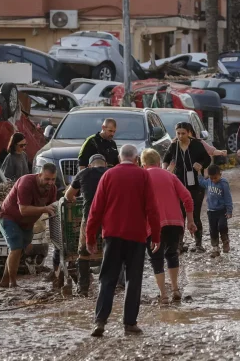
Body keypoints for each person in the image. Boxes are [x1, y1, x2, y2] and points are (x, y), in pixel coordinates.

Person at [87, 144, 160, 337]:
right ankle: (129, 323)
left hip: (112, 235)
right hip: (136, 237)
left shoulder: (108, 176)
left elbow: (95, 209)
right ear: (136, 159)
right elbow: (152, 208)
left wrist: (90, 236)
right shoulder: (143, 176)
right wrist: (156, 236)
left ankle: (100, 322)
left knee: (107, 278)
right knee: (133, 280)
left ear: (120, 158)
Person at [140, 149, 195, 303]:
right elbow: (187, 198)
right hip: (175, 223)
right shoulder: (171, 176)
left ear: (143, 165)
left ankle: (163, 294)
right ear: (158, 163)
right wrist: (190, 220)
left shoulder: (142, 178)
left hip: (153, 226)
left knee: (156, 258)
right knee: (172, 254)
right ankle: (176, 289)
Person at [0, 165, 57, 288]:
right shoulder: (26, 183)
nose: (50, 183)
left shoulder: (52, 189)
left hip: (27, 223)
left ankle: (4, 282)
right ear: (39, 175)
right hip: (9, 217)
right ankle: (13, 284)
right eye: (47, 179)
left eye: (53, 179)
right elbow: (23, 210)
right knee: (16, 248)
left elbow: (53, 209)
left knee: (19, 251)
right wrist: (44, 209)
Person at [64, 154, 108, 296]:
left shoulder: (83, 173)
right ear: (105, 164)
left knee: (83, 253)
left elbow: (68, 196)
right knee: (112, 250)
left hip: (90, 216)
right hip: (110, 217)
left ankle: (83, 289)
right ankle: (114, 285)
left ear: (90, 165)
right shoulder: (110, 173)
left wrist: (75, 199)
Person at [163, 122, 211, 250]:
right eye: (178, 133)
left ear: (189, 133)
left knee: (195, 214)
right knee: (180, 215)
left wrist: (201, 164)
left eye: (183, 133)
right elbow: (166, 159)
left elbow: (207, 159)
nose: (180, 136)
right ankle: (179, 243)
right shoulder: (174, 146)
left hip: (196, 185)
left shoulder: (197, 145)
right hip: (178, 184)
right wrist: (166, 169)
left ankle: (198, 243)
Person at [197, 164, 233, 256]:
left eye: (215, 178)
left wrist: (229, 211)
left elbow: (228, 197)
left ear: (220, 174)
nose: (213, 180)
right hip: (211, 211)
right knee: (213, 230)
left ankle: (225, 241)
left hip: (222, 210)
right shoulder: (208, 182)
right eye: (211, 178)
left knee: (222, 226)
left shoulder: (224, 183)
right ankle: (215, 248)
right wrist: (198, 171)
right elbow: (201, 182)